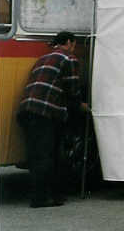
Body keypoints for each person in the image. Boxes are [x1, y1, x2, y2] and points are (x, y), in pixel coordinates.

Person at [17, 31, 89, 208]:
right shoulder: (69, 58)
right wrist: (81, 105)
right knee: (49, 155)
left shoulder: (43, 58)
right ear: (69, 42)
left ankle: (41, 195)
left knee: (36, 155)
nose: (74, 48)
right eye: (74, 44)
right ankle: (42, 198)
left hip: (26, 109)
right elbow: (72, 90)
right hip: (46, 112)